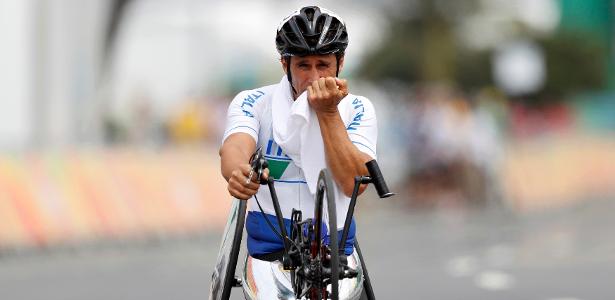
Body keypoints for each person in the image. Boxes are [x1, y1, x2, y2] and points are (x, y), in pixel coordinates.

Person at [220, 5, 377, 274]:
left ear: (340, 63)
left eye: (324, 65)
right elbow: (234, 147)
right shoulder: (254, 101)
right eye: (303, 65)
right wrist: (239, 172)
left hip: (334, 248)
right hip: (270, 246)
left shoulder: (359, 108)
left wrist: (328, 113)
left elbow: (354, 185)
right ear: (285, 64)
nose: (314, 77)